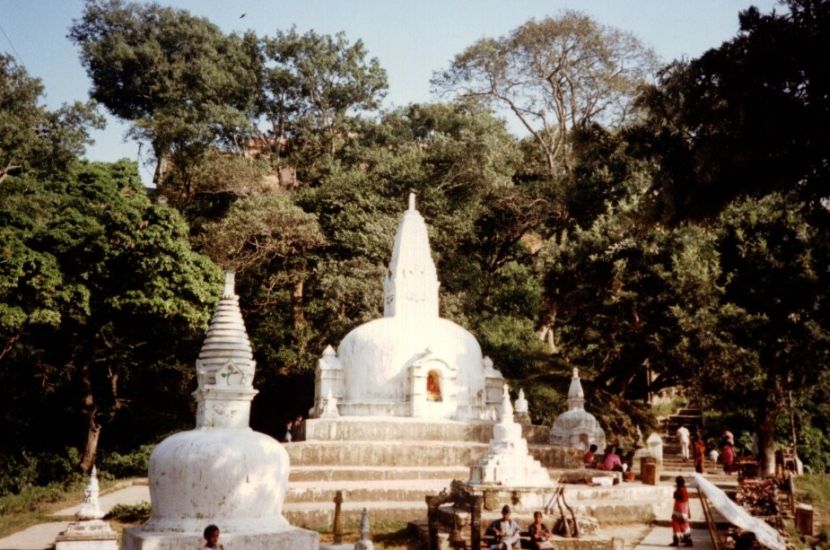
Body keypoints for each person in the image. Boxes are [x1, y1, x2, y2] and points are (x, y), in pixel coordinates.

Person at [670, 476, 693, 547]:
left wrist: (675, 492)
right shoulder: (683, 489)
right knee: (676, 524)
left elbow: (676, 496)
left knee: (683, 525)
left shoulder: (681, 490)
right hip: (679, 509)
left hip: (680, 510)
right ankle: (676, 540)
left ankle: (688, 541)